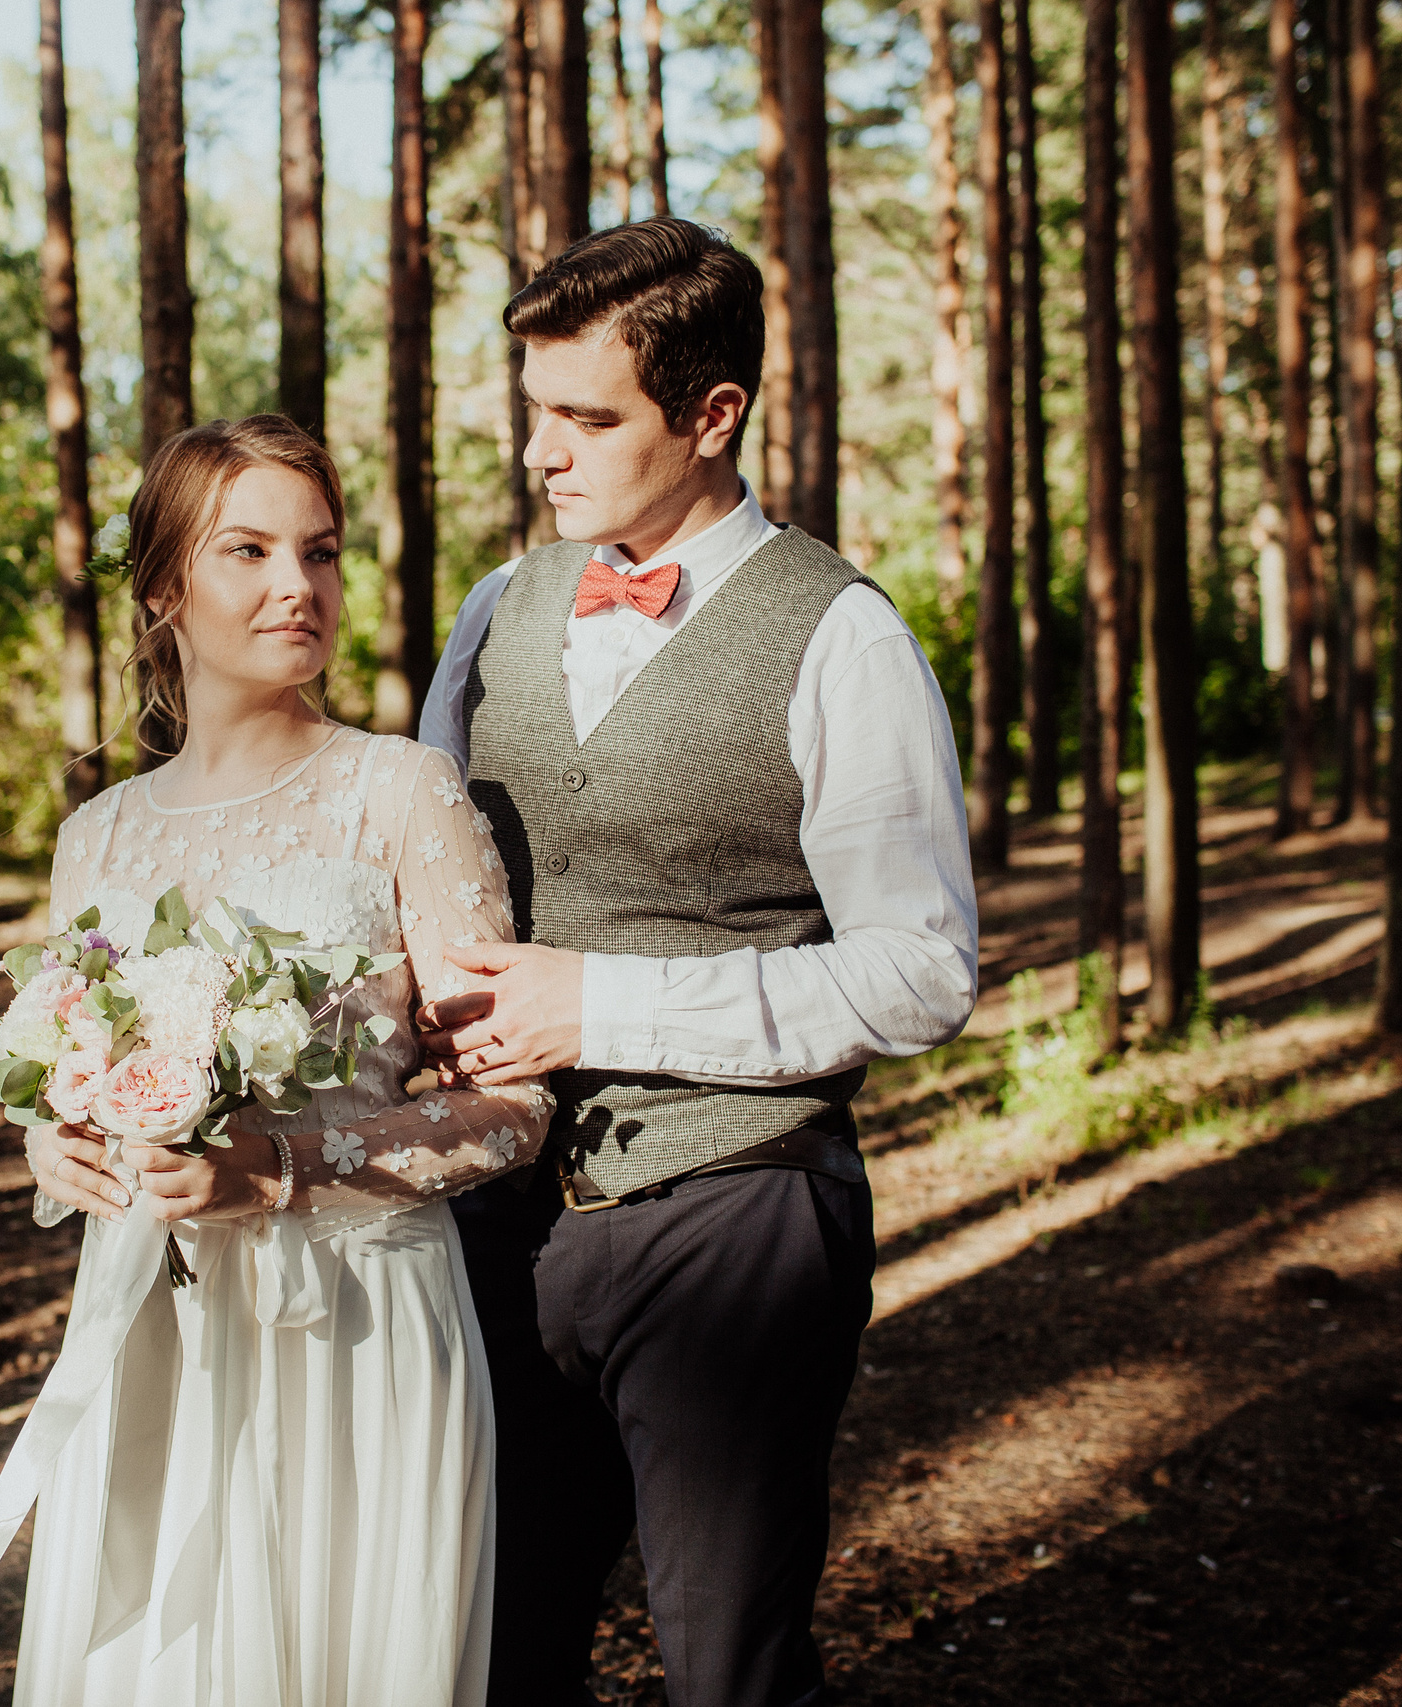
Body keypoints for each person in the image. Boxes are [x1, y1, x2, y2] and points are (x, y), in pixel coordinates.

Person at [414, 219, 980, 1707]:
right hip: (501, 1221)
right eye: (535, 409)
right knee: (489, 1649)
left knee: (730, 1670)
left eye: (588, 418)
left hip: (738, 1216)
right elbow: (418, 877)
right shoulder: (497, 607)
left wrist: (601, 1004)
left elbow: (922, 972)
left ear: (713, 414)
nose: (541, 451)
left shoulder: (842, 636)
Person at [0, 416, 551, 1707]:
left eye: (320, 551)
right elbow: (69, 1070)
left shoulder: (404, 791)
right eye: (248, 551)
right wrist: (56, 1142)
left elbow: (513, 1107)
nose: (296, 586)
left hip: (357, 1324)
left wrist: (285, 1168)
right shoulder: (96, 839)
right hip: (158, 1325)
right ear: (164, 588)